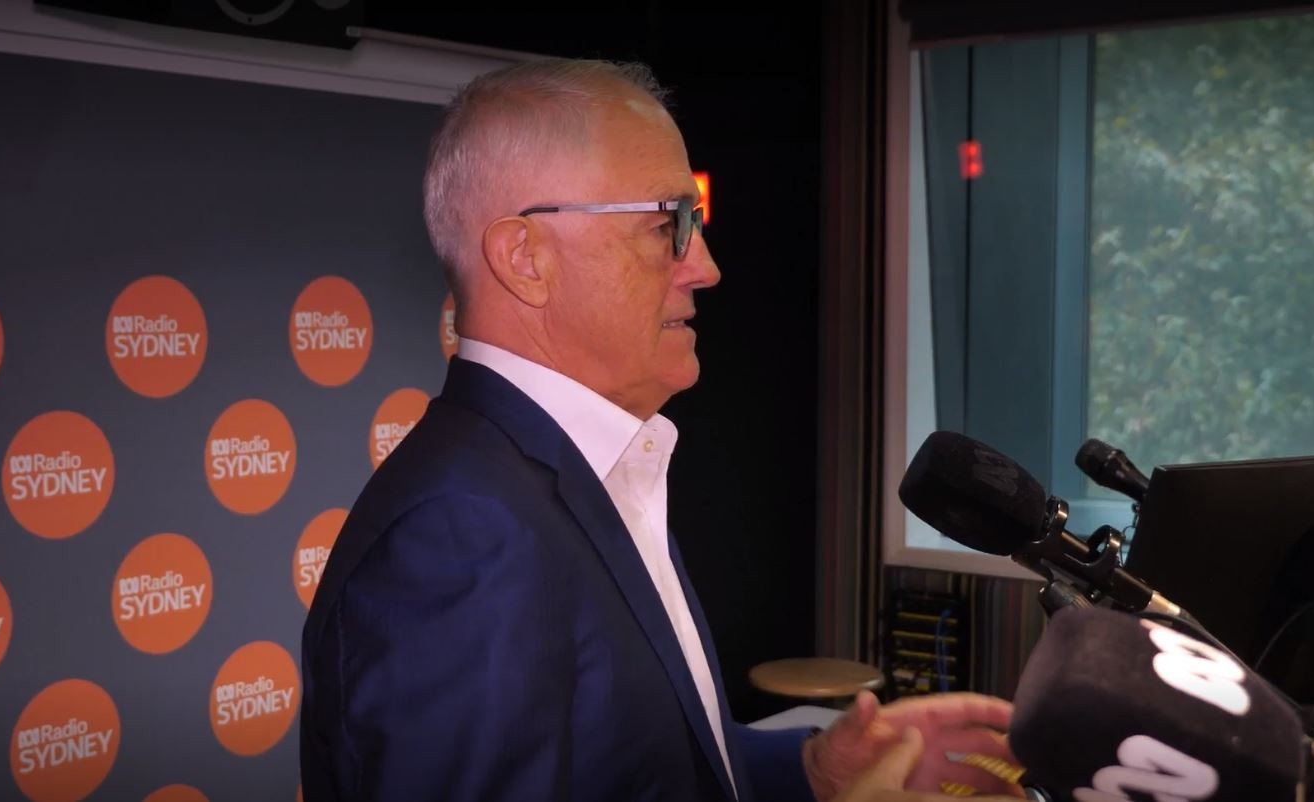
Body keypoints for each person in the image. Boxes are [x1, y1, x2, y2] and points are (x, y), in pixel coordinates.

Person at [299, 57, 1024, 802]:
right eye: (667, 224)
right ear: (526, 258)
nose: (703, 267)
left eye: (695, 224)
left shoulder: (577, 469)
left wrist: (811, 772)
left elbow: (643, 757)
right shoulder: (463, 534)